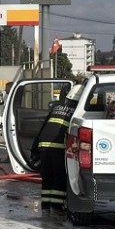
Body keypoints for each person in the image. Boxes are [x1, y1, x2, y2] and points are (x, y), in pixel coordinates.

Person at [31, 84, 83, 215]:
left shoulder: (57, 107)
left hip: (43, 145)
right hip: (58, 146)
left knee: (47, 177)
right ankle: (57, 205)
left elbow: (43, 127)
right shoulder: (77, 110)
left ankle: (45, 205)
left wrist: (34, 150)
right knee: (59, 177)